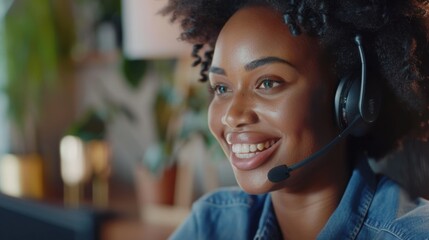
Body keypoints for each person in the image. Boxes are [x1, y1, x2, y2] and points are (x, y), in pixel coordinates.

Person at [162, 0, 429, 239]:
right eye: (222, 88)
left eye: (267, 83)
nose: (233, 115)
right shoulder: (212, 224)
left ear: (352, 100)